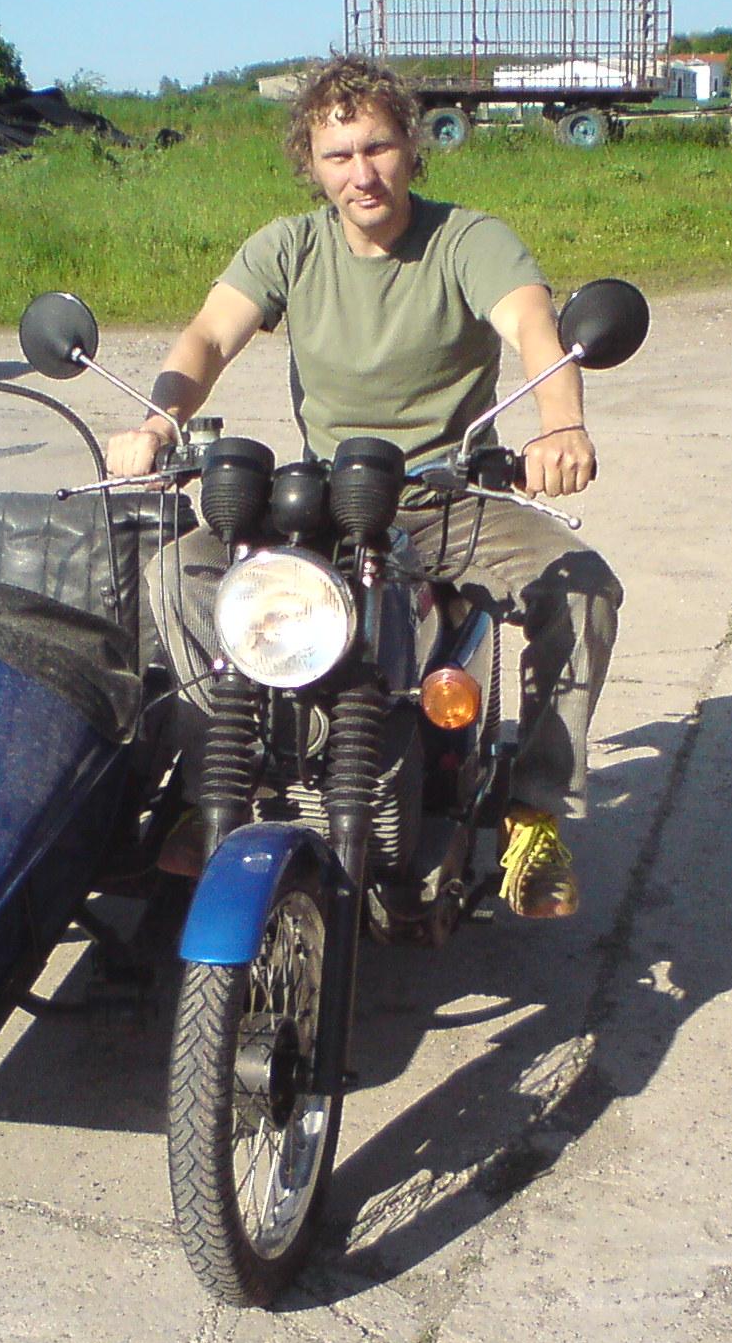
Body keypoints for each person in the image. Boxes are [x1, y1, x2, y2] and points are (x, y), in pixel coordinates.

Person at [107, 55, 622, 919]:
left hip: (448, 494)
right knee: (179, 573)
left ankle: (535, 810)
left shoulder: (468, 240)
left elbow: (533, 322)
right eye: (338, 155)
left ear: (412, 149)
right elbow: (209, 335)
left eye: (378, 147)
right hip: (329, 500)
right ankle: (216, 779)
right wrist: (159, 422)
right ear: (311, 165)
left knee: (584, 589)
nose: (362, 173)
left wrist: (560, 425)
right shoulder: (291, 245)